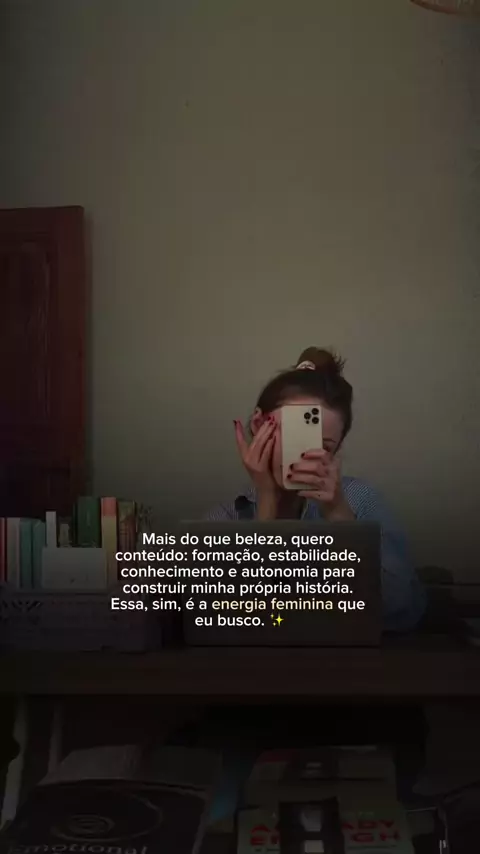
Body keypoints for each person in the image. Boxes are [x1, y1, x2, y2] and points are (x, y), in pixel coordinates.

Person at [206, 346, 425, 633]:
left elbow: (399, 606)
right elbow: (228, 620)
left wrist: (338, 515)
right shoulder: (229, 517)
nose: (304, 456)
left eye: (324, 447)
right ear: (259, 425)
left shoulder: (360, 500)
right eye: (294, 437)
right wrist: (267, 504)